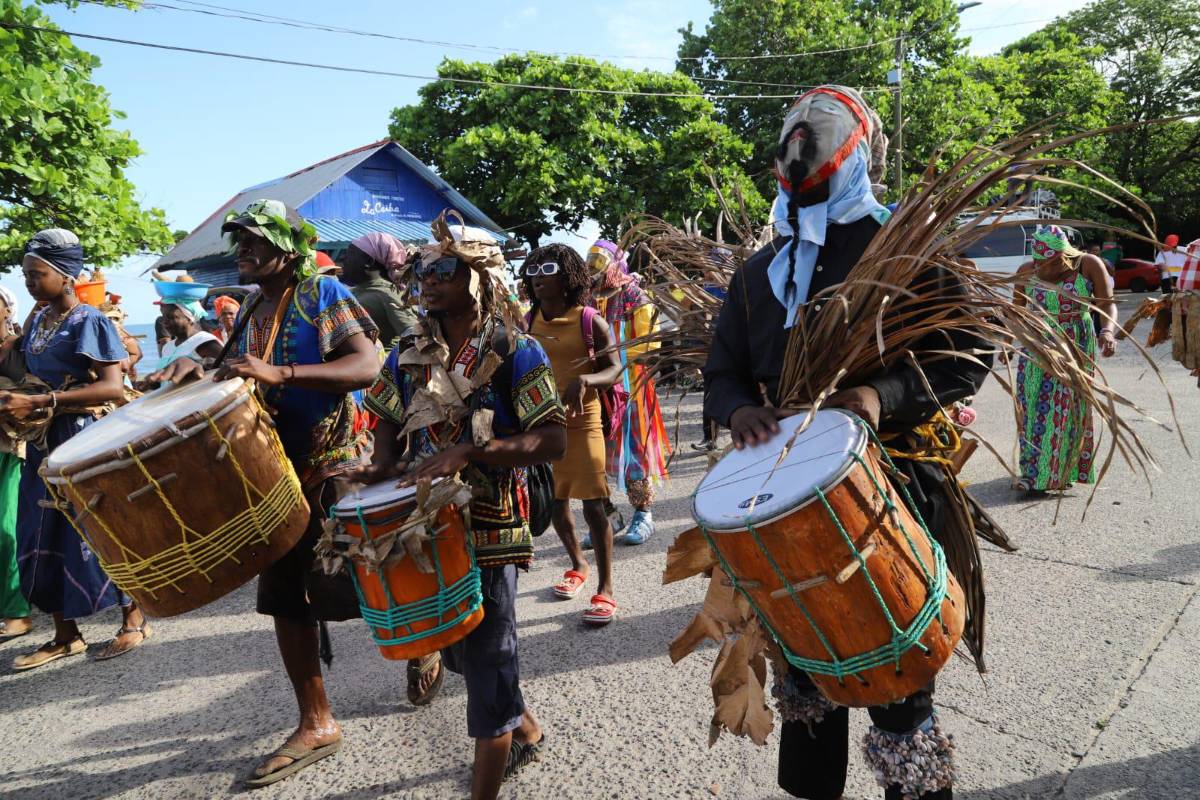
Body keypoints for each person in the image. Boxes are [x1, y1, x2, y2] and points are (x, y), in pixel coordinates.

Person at [703, 86, 987, 800]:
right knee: (806, 680)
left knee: (897, 683)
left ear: (859, 155)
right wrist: (738, 411)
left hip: (887, 488)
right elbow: (720, 373)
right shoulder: (758, 274)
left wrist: (878, 397)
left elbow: (968, 355)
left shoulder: (903, 253)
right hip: (781, 500)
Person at [150, 200, 380, 787]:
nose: (241, 252)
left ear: (286, 247)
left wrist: (284, 375)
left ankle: (425, 646)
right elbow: (238, 371)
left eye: (253, 242)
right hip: (275, 470)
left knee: (375, 579)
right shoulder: (253, 305)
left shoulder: (321, 296)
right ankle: (316, 720)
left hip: (334, 463)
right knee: (284, 594)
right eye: (239, 243)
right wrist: (188, 375)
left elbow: (366, 366)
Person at [357, 215, 564, 799]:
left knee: (489, 654)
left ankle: (489, 771)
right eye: (424, 270)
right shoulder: (404, 353)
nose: (429, 279)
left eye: (445, 270)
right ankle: (525, 725)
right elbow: (389, 429)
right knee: (458, 651)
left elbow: (553, 440)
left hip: (491, 521)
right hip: (425, 523)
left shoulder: (516, 350)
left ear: (479, 281)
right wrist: (370, 474)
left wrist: (472, 450)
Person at [0, 229, 150, 668]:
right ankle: (66, 635)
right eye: (25, 274)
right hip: (44, 445)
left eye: (36, 273)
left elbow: (110, 387)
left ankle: (134, 618)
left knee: (101, 527)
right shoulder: (40, 323)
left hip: (83, 439)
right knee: (41, 532)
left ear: (65, 276)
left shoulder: (90, 321)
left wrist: (41, 401)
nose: (29, 281)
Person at [524, 244, 624, 625]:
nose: (537, 275)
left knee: (594, 504)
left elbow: (614, 369)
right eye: (533, 268)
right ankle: (577, 565)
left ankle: (607, 588)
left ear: (567, 277)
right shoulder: (527, 320)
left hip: (583, 421)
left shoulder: (590, 320)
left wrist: (586, 378)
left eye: (547, 268)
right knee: (553, 502)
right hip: (542, 421)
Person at [1013, 225, 1117, 495]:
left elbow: (1107, 303)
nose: (1043, 268)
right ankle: (1037, 470)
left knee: (1065, 407)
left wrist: (1107, 331)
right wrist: (1009, 335)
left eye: (1049, 262)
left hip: (1076, 344)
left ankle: (1048, 475)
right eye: (1038, 262)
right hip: (1037, 345)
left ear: (1064, 256)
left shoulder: (1088, 264)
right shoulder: (1026, 271)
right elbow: (1016, 311)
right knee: (1032, 404)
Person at [586, 240, 671, 545]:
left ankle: (643, 515)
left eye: (599, 261)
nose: (594, 268)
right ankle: (609, 516)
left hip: (630, 389)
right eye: (591, 261)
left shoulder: (635, 296)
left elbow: (650, 343)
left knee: (632, 453)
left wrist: (616, 366)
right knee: (590, 456)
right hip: (596, 389)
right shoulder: (588, 300)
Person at [0, 286, 33, 640]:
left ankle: (17, 612)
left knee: (6, 530)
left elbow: (36, 391)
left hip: (11, 449)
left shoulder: (20, 348)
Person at [339, 232, 417, 351]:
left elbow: (414, 337)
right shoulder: (356, 290)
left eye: (351, 254)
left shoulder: (389, 293)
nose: (343, 258)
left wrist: (386, 364)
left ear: (369, 261)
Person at [156, 298, 222, 368]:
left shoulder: (204, 341)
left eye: (171, 317)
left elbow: (228, 364)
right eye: (163, 316)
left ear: (189, 318)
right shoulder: (167, 347)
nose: (164, 322)